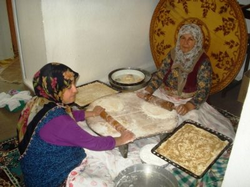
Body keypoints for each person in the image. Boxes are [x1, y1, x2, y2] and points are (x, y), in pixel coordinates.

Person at [16, 62, 135, 187]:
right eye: (69, 87)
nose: (75, 90)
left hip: (32, 170)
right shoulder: (61, 123)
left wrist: (91, 113)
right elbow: (94, 143)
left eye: (73, 84)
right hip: (48, 179)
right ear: (55, 89)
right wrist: (121, 139)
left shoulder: (37, 101)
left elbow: (68, 113)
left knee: (82, 128)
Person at [137, 23, 235, 139]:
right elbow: (160, 75)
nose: (185, 42)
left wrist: (188, 106)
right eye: (182, 38)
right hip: (164, 95)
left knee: (191, 126)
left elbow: (204, 90)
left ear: (197, 41)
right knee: (142, 109)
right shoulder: (173, 54)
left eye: (190, 39)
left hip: (187, 100)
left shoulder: (203, 62)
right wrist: (148, 91)